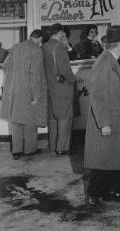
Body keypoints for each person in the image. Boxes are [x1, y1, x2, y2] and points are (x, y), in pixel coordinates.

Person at [83, 25, 120, 207]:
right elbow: (98, 95)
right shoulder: (104, 63)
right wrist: (104, 122)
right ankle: (93, 194)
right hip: (106, 119)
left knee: (114, 157)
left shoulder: (113, 60)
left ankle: (112, 192)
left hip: (116, 116)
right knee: (102, 158)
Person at [0, 30, 47, 160]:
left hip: (14, 91)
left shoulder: (16, 47)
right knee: (30, 122)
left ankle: (16, 151)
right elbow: (35, 75)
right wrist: (36, 95)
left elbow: (4, 66)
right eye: (41, 41)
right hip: (28, 91)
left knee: (15, 122)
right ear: (39, 39)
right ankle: (30, 150)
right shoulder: (36, 51)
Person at [42, 23, 77, 156]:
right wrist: (73, 80)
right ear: (60, 33)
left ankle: (52, 145)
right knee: (64, 117)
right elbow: (65, 70)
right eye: (63, 33)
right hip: (62, 87)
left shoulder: (44, 46)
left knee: (53, 118)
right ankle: (62, 148)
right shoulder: (59, 47)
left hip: (49, 86)